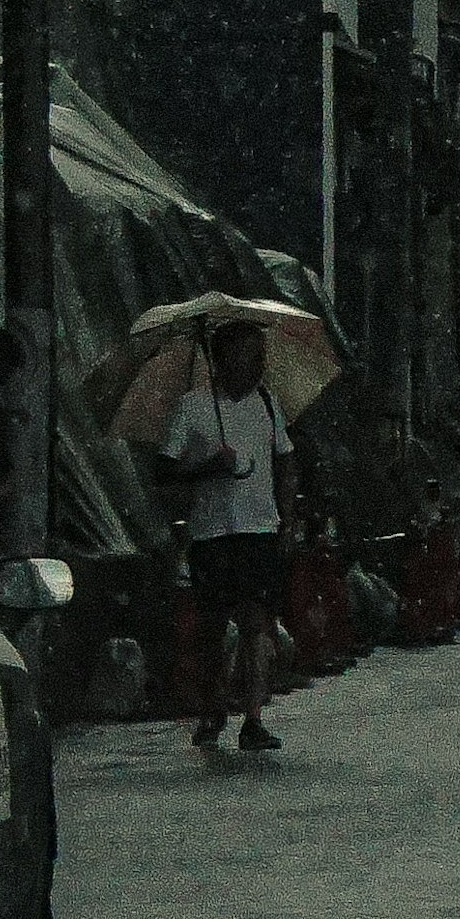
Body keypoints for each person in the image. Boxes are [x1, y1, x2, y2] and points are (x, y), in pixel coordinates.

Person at [157, 320, 292, 756]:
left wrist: (286, 520)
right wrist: (208, 467)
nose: (256, 366)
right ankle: (212, 710)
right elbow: (163, 471)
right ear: (221, 359)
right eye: (246, 355)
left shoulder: (268, 406)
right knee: (213, 629)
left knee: (256, 624)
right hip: (212, 534)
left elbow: (285, 462)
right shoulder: (192, 408)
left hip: (259, 531)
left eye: (260, 356)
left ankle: (253, 717)